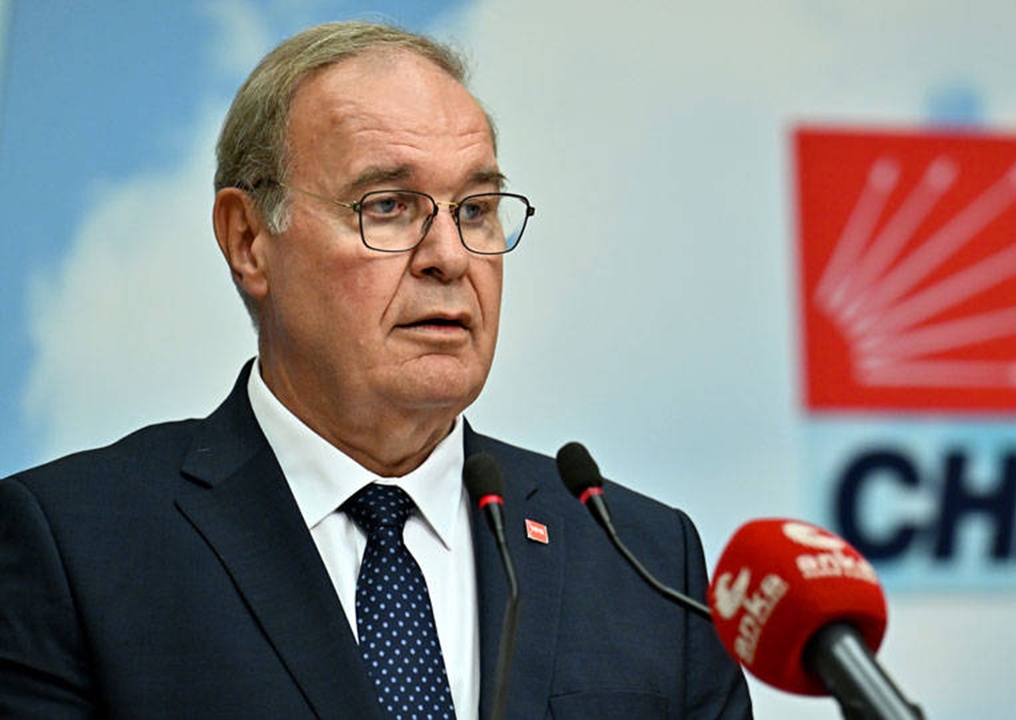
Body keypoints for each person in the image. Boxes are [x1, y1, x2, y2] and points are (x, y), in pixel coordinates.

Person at [0, 21, 751, 719]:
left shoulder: (644, 562)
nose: (449, 258)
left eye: (476, 208)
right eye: (388, 205)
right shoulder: (77, 548)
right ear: (249, 240)